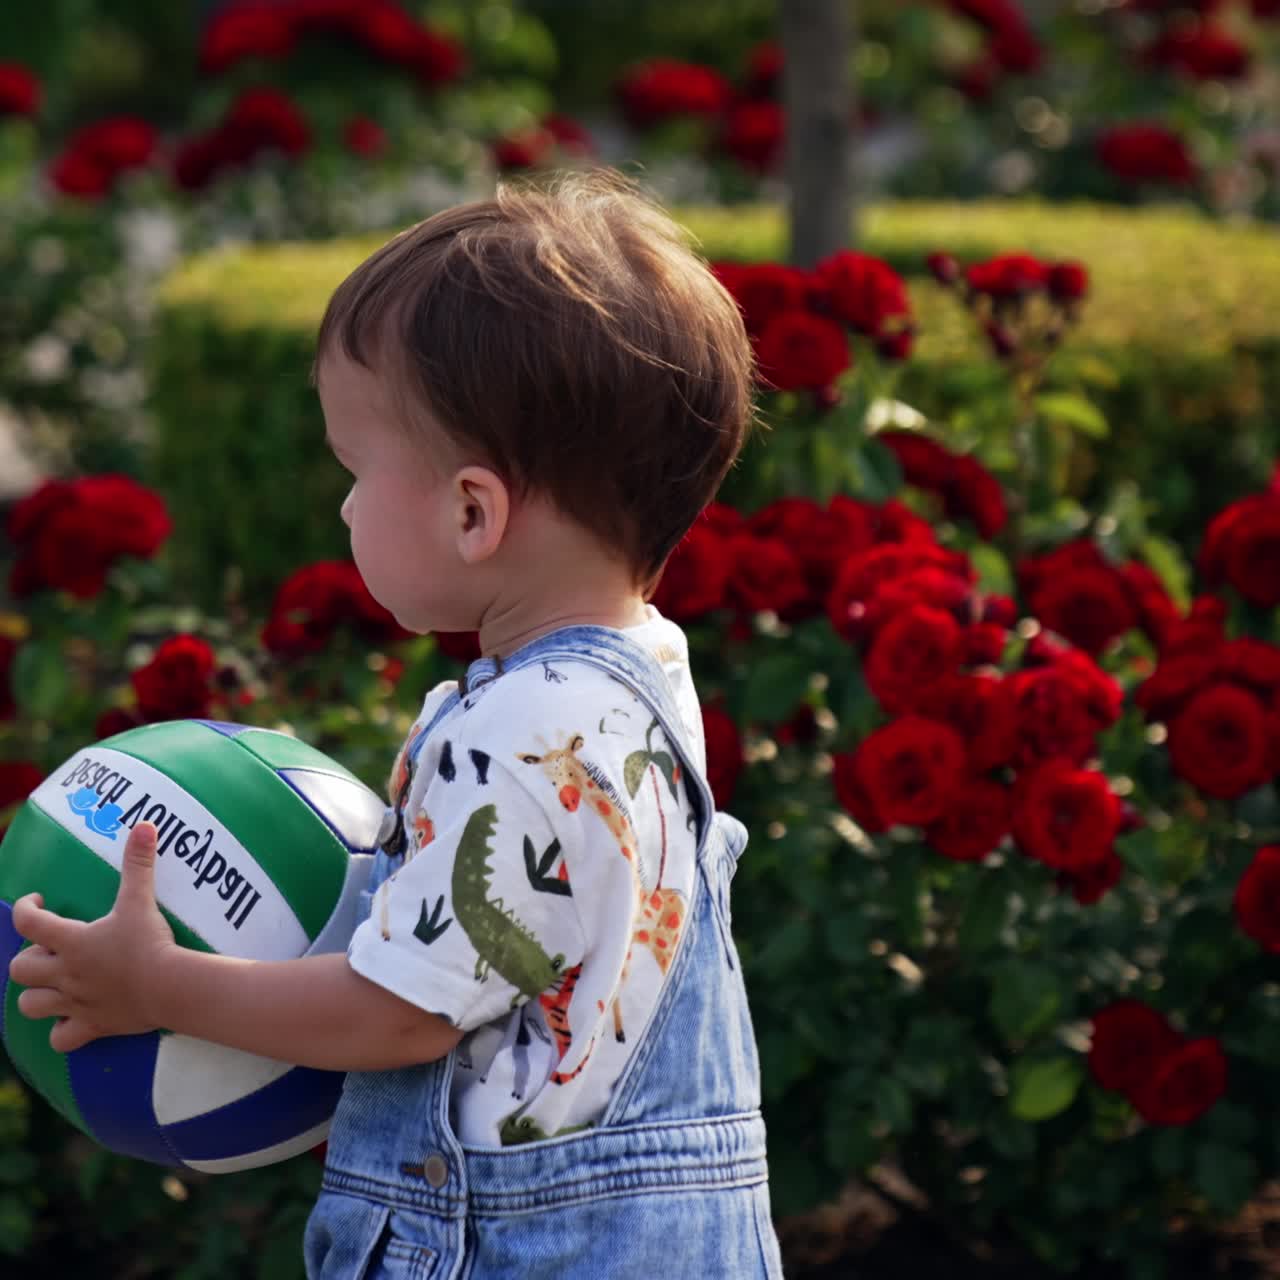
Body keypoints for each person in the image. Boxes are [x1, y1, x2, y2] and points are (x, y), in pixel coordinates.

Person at [8, 170, 784, 1278]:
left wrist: (159, 984)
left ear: (473, 511)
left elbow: (399, 1014)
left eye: (355, 470)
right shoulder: (641, 674)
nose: (341, 507)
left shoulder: (520, 739)